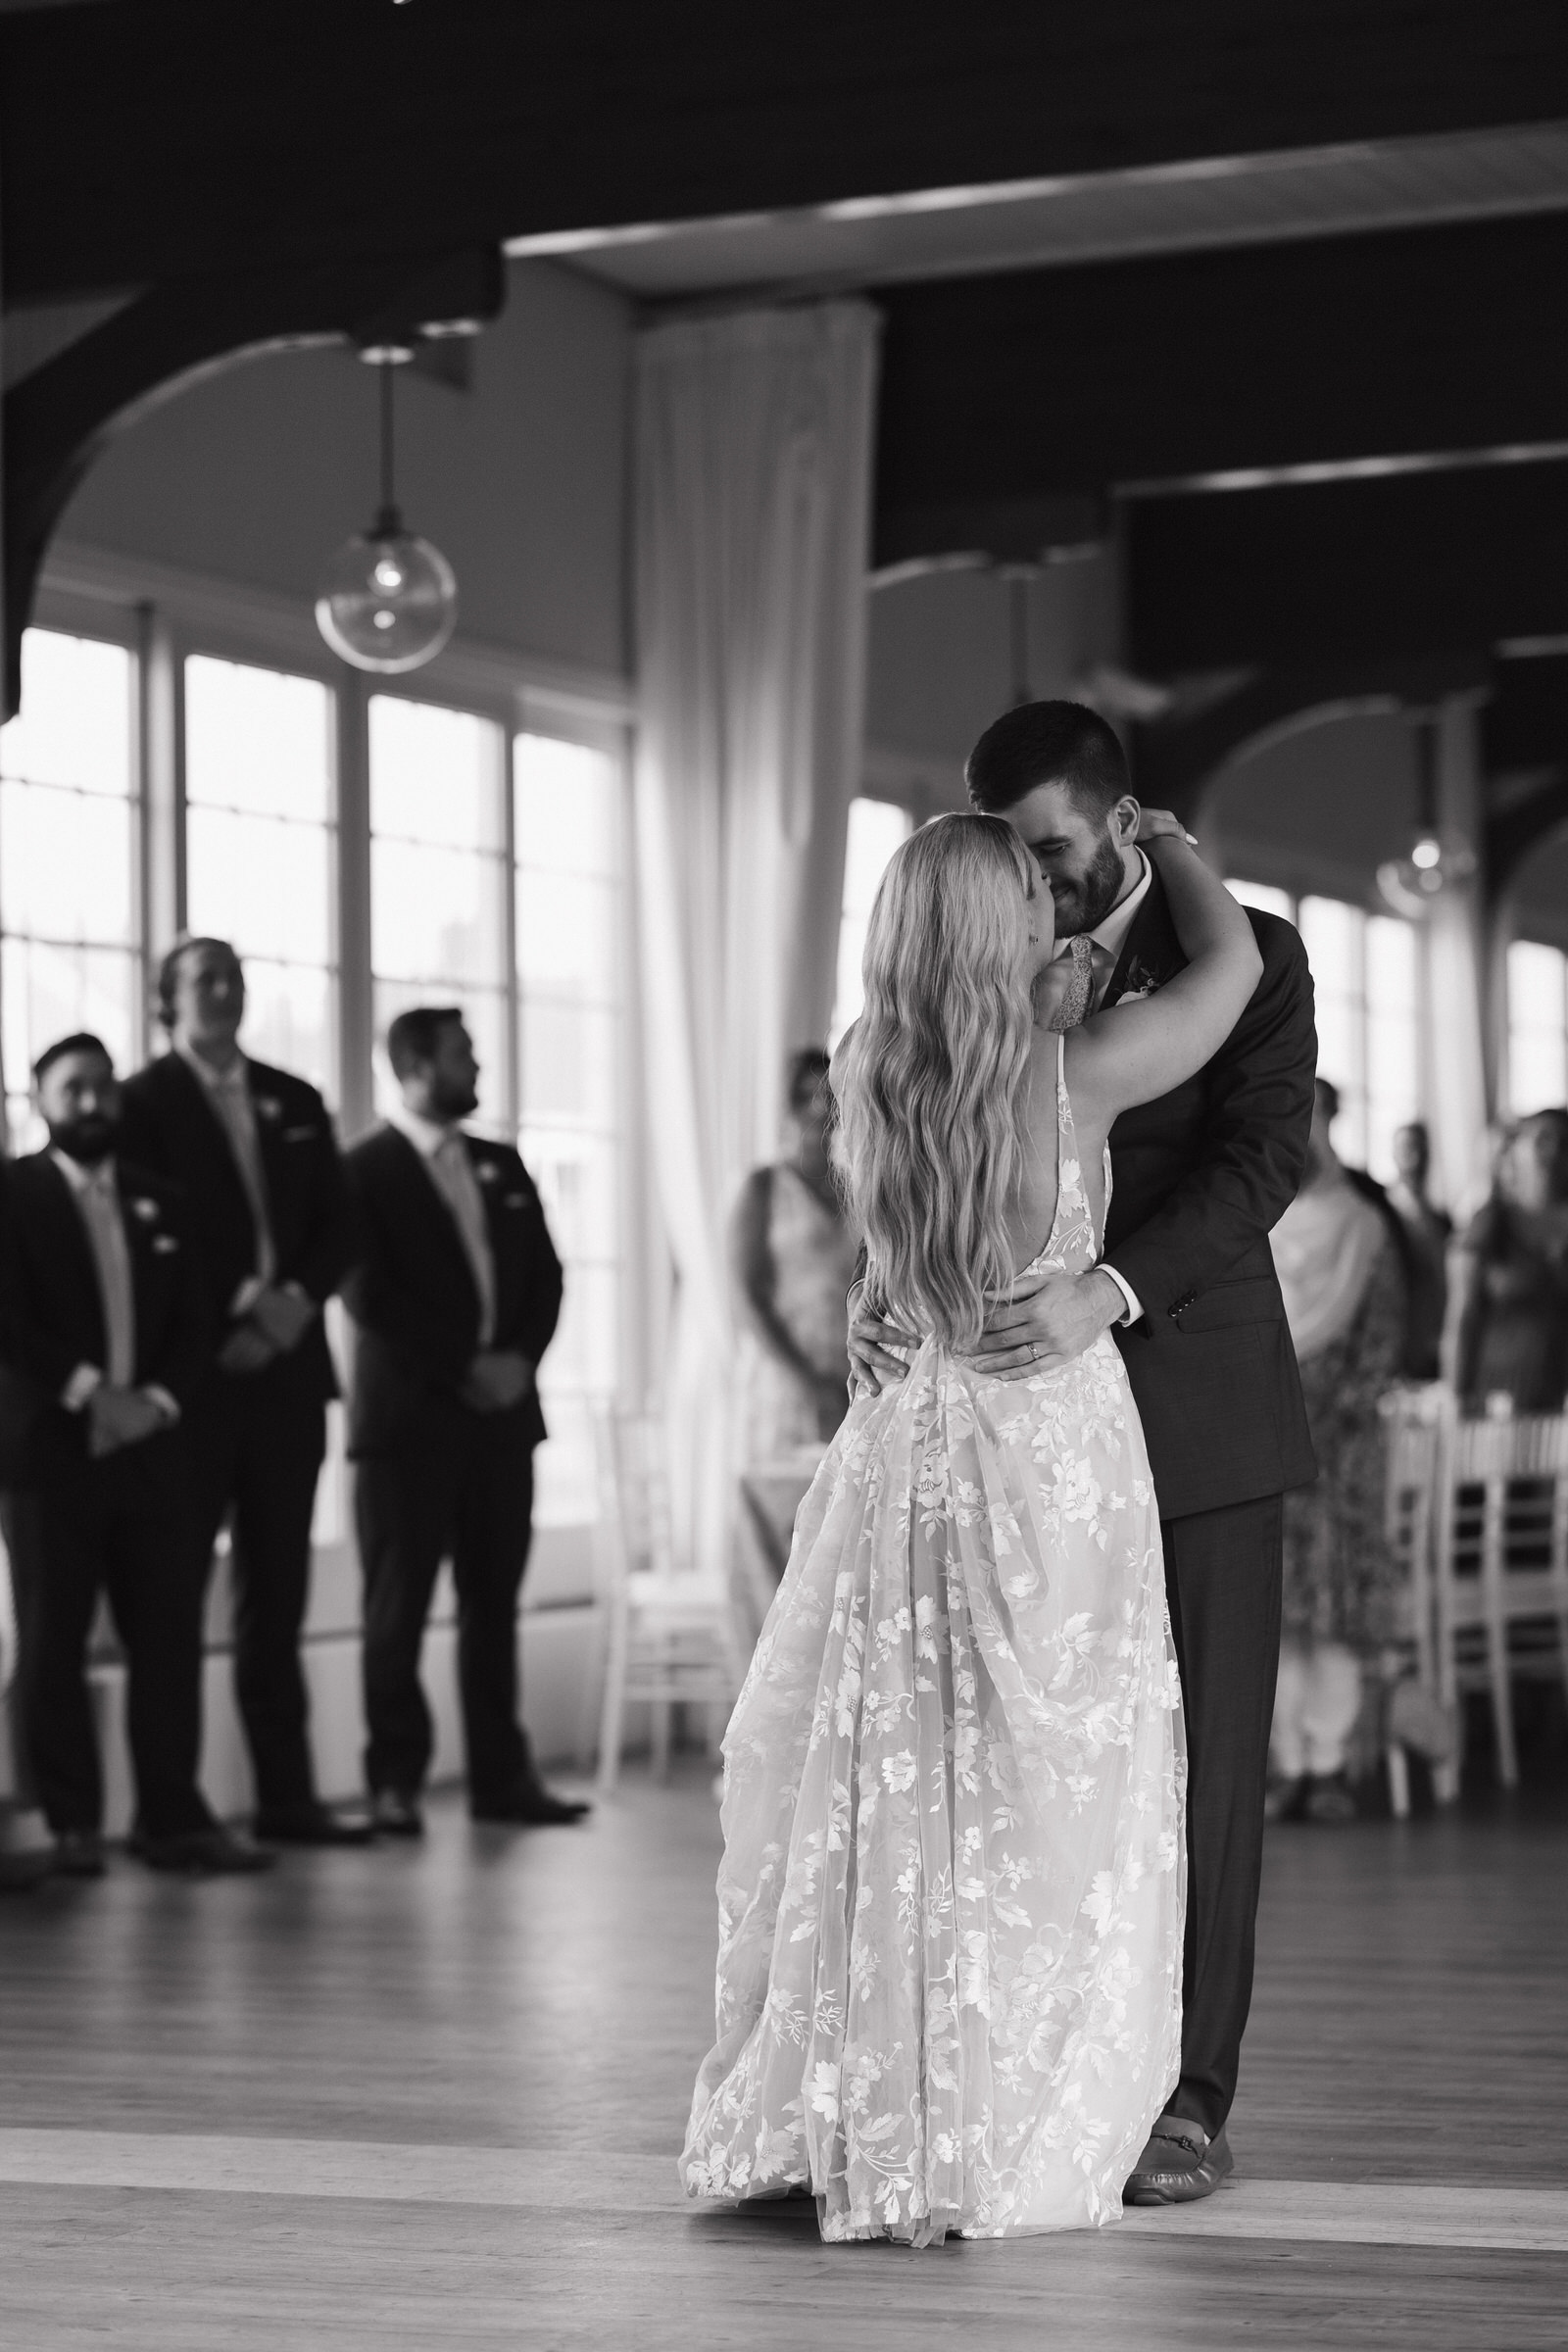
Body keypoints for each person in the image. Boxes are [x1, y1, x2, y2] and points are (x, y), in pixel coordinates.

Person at [681, 809, 1262, 2243]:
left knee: (903, 1770)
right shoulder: (1076, 1076)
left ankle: (883, 2097)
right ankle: (1009, 2098)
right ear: (1004, 925)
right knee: (1057, 1780)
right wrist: (1176, 850)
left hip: (912, 1434)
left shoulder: (869, 1070)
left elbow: (884, 1280)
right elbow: (1234, 969)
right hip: (1051, 1438)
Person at [850, 703, 1317, 2206]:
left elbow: (1263, 1158)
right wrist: (874, 1300)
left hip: (1194, 1404)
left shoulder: (1246, 950)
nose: (1039, 887)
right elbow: (902, 1168)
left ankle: (1188, 2097)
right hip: (1011, 1432)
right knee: (1034, 1775)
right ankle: (1042, 2067)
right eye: (1013, 860)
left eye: (1054, 853)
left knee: (1206, 1772)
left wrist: (1107, 1292)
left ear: (1121, 827)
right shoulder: (979, 965)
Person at [0, 1035, 270, 1876]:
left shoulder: (163, 1200)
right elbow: (9, 1320)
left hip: (156, 1448)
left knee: (169, 1634)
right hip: (54, 1450)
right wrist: (91, 1394)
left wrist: (153, 1403)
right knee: (55, 1639)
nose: (93, 1103)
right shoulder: (12, 1196)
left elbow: (195, 1324)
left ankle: (172, 1816)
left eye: (104, 1087)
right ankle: (72, 1824)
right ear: (40, 1100)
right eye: (73, 1088)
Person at [119, 939, 368, 1846]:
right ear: (169, 999)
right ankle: (170, 1812)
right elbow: (151, 1221)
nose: (225, 991)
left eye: (234, 976)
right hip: (193, 1379)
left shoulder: (293, 1099)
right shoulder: (140, 1105)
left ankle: (287, 1800)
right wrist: (241, 1304)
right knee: (170, 1599)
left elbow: (338, 1224)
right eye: (204, 979)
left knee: (278, 1594)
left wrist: (293, 1305)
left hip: (289, 1378)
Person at [342, 1007, 586, 1833]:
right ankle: (395, 1782)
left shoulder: (499, 1160)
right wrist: (465, 1367)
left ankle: (500, 1778)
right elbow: (369, 1294)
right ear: (415, 1065)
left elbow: (547, 1277)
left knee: (494, 1604)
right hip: (408, 1427)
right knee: (396, 1610)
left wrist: (516, 1360)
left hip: (502, 1422)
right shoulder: (362, 1170)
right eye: (462, 1054)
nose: (477, 1067)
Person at [1268, 1078, 1407, 1822]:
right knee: (1279, 1606)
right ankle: (1285, 1762)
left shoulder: (1364, 1226)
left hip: (1342, 1445)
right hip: (1262, 1426)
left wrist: (1332, 1410)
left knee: (1336, 1604)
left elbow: (1383, 1338)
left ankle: (1330, 1764)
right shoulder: (1255, 1219)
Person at [730, 1048, 858, 1458]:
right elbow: (747, 1297)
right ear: (787, 1103)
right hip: (783, 1382)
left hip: (851, 1380)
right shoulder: (762, 1188)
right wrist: (808, 1384)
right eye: (806, 1094)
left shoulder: (858, 1189)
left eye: (829, 1094)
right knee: (782, 1511)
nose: (820, 1106)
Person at [1448, 1108, 1568, 1414]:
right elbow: (1463, 1317)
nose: (1553, 1151)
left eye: (1564, 1141)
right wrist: (1456, 1397)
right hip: (1499, 1401)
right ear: (1516, 1150)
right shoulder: (1491, 1223)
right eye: (1541, 1140)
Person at [1386, 1119, 1451, 1382]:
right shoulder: (1386, 1211)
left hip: (1435, 1332)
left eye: (1421, 1148)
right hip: (1401, 1335)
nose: (1415, 1157)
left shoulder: (1440, 1217)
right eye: (1407, 1148)